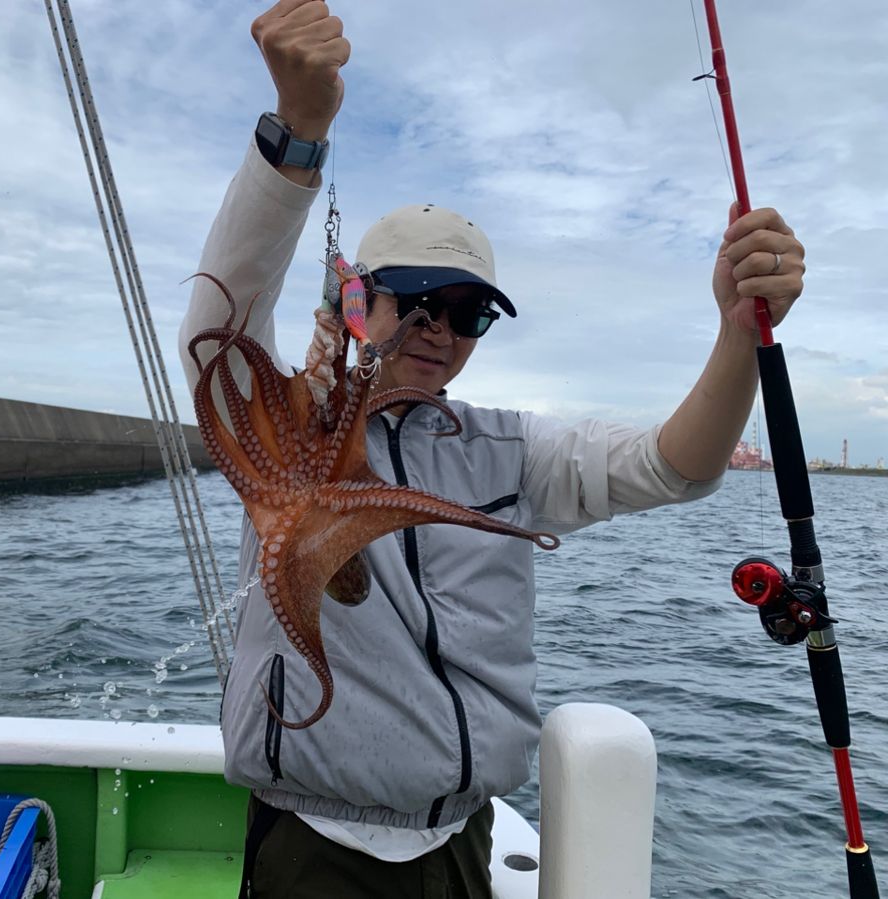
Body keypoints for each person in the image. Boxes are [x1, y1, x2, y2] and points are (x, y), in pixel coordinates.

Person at [177, 2, 806, 897]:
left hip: (461, 845)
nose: (437, 329)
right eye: (414, 299)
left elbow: (678, 464)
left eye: (468, 311)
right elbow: (218, 326)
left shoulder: (505, 451)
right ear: (362, 301)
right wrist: (299, 131)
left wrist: (739, 331)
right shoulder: (289, 419)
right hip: (312, 841)